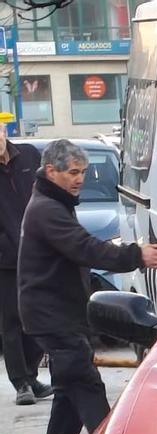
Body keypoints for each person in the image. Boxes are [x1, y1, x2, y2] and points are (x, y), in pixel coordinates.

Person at [18, 139, 157, 434]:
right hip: (51, 316)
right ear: (50, 171)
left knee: (69, 386)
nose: (80, 179)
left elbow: (81, 247)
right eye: (73, 172)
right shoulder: (46, 208)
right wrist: (136, 254)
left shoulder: (54, 203)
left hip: (58, 313)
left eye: (84, 172)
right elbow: (84, 248)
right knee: (86, 384)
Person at [0, 135, 51, 405]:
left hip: (37, 253)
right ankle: (21, 383)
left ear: (3, 131)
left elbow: (47, 191)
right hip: (6, 260)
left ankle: (32, 377)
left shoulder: (30, 156)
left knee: (38, 317)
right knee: (11, 322)